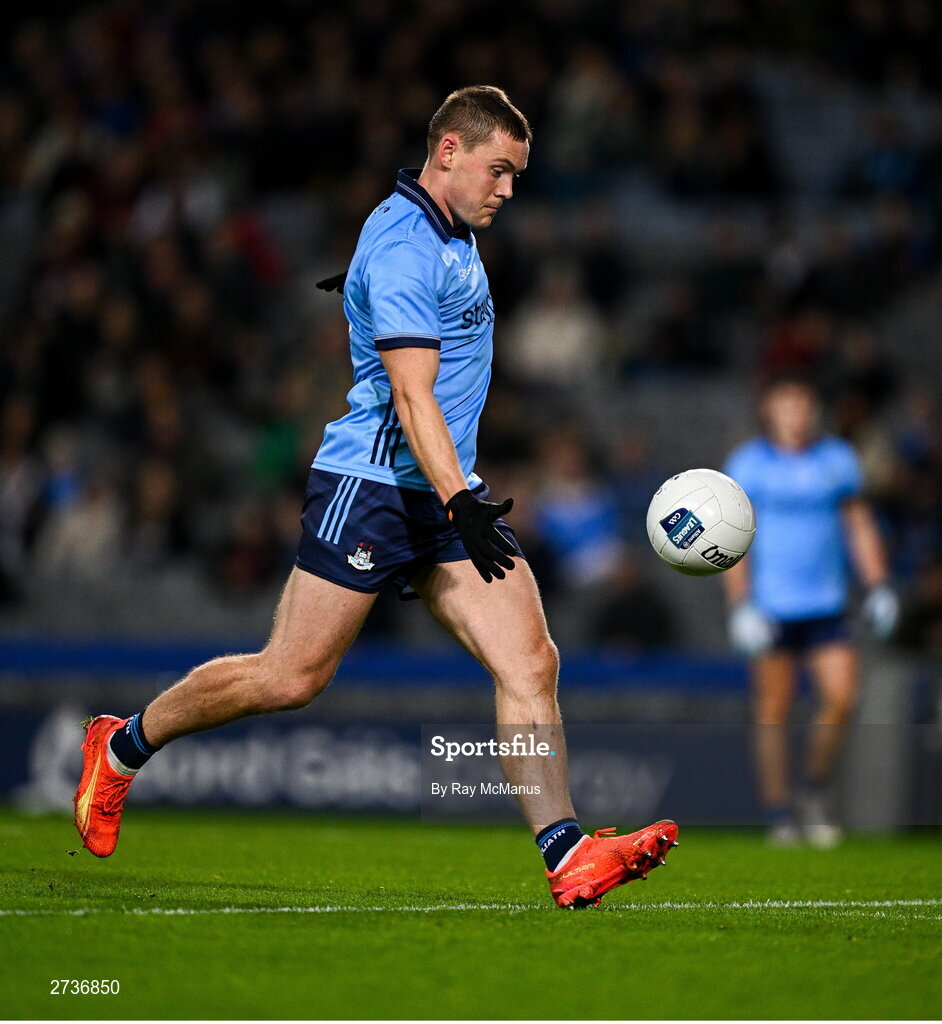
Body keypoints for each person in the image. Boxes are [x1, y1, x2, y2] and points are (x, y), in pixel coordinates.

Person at [73, 86, 678, 908]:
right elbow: (411, 398)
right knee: (289, 677)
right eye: (499, 171)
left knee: (531, 659)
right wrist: (459, 495)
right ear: (450, 153)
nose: (508, 190)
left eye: (517, 176)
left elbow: (405, 290)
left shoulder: (440, 230)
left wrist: (366, 295)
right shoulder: (404, 245)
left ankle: (566, 852)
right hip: (374, 490)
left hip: (443, 493)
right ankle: (121, 747)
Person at [723, 374, 897, 847]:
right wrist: (741, 606)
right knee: (773, 711)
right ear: (769, 411)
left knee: (841, 698)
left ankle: (814, 789)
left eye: (804, 404)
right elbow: (729, 538)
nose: (798, 413)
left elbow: (858, 524)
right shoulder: (749, 464)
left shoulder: (836, 460)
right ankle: (780, 813)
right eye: (787, 403)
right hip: (771, 608)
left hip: (826, 603)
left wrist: (878, 585)